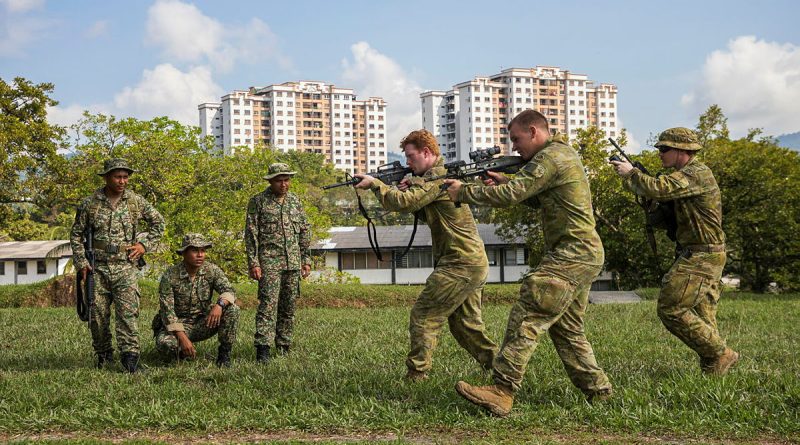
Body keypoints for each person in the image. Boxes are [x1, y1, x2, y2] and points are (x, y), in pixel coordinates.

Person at [443, 110, 612, 416]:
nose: (514, 147)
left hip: (572, 253)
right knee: (566, 328)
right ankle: (599, 392)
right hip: (582, 252)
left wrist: (463, 192)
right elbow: (536, 197)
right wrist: (504, 180)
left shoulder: (551, 157)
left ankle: (502, 389)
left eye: (516, 139)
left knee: (528, 312)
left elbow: (514, 194)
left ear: (534, 132)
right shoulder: (558, 156)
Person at [353, 129, 497, 381]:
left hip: (459, 263)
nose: (407, 163)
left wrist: (376, 184)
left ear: (427, 153)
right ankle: (500, 368)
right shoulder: (432, 181)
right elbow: (423, 210)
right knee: (466, 327)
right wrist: (409, 186)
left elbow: (403, 203)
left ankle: (416, 375)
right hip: (470, 261)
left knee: (424, 315)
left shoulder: (438, 178)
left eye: (410, 157)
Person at [610, 127, 738, 375]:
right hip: (701, 252)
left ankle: (721, 353)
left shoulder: (695, 173)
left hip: (703, 255)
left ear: (682, 150)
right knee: (704, 315)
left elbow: (660, 188)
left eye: (664, 148)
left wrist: (631, 173)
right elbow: (661, 210)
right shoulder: (683, 178)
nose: (659, 153)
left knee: (671, 308)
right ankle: (715, 369)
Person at [70, 158, 165, 373]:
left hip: (125, 267)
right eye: (117, 176)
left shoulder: (135, 201)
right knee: (97, 315)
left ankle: (130, 358)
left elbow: (159, 223)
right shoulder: (90, 203)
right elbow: (76, 235)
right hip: (97, 268)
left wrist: (143, 245)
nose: (122, 181)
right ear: (106, 177)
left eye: (125, 177)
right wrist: (81, 262)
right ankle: (104, 355)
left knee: (128, 314)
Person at [244, 162, 312, 363]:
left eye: (286, 180)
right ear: (271, 181)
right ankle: (263, 348)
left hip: (292, 262)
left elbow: (305, 231)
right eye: (279, 181)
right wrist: (253, 263)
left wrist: (306, 259)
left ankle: (284, 345)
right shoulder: (258, 202)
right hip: (269, 262)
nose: (283, 184)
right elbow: (251, 235)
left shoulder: (295, 201)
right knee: (268, 305)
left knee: (288, 306)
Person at [152, 233, 239, 367]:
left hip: (204, 322)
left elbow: (230, 291)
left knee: (232, 309)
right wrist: (182, 338)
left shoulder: (212, 270)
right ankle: (183, 354)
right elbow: (167, 312)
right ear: (184, 253)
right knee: (166, 345)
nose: (200, 255)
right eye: (194, 250)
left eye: (203, 251)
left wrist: (219, 305)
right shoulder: (170, 275)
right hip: (178, 326)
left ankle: (224, 355)